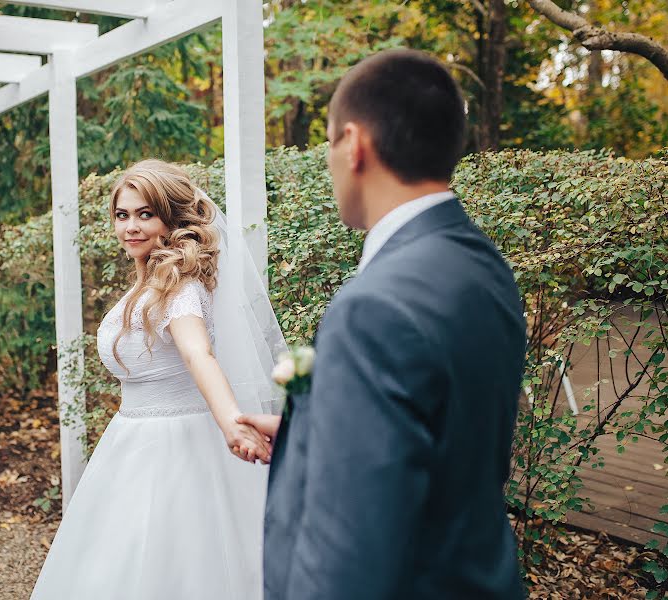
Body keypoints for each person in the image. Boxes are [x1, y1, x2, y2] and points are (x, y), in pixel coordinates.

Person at [239, 48, 527, 599]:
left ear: (354, 145)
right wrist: (315, 432)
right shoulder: (484, 265)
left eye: (327, 143)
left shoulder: (373, 307)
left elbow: (349, 554)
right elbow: (440, 430)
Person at [31, 159, 282, 600]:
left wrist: (230, 421)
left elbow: (196, 352)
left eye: (145, 214)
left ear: (171, 218)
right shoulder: (147, 283)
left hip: (176, 448)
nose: (131, 226)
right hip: (129, 441)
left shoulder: (180, 288)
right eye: (123, 214)